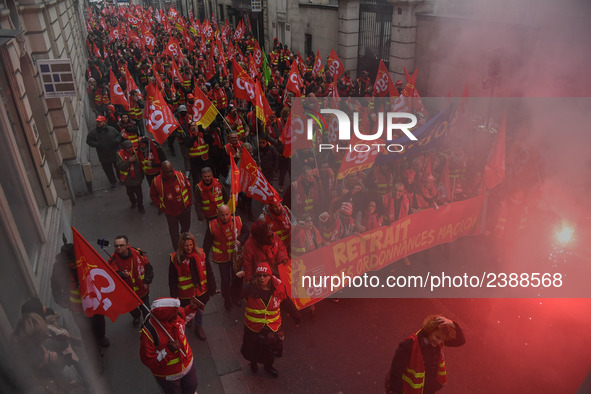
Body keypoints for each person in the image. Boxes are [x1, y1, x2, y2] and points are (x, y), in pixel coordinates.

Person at [241, 262, 301, 378]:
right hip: (253, 328)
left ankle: (268, 367)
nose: (262, 278)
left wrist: (296, 316)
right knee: (253, 349)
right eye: (259, 275)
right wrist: (237, 280)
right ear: (256, 277)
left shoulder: (278, 289)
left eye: (265, 275)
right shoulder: (249, 288)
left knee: (270, 351)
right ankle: (254, 364)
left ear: (270, 276)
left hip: (272, 327)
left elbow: (286, 303)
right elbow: (235, 293)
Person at [386, 315, 465, 394]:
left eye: (442, 339)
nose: (439, 342)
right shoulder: (408, 345)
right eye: (437, 337)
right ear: (429, 331)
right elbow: (396, 372)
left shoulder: (438, 340)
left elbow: (460, 341)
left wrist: (452, 324)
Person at [139, 298, 200, 394]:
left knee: (192, 386)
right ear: (166, 315)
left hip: (187, 365)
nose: (179, 310)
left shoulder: (177, 315)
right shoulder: (149, 333)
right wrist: (168, 351)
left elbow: (184, 314)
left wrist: (191, 308)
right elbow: (150, 361)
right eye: (175, 310)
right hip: (169, 376)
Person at [168, 232, 215, 340]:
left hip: (201, 291)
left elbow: (208, 271)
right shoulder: (175, 259)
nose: (189, 248)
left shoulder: (201, 254)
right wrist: (174, 296)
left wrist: (212, 286)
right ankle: (189, 320)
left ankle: (198, 327)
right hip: (185, 294)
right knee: (188, 311)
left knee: (200, 310)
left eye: (191, 245)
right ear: (181, 246)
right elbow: (172, 279)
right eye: (186, 246)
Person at [202, 204, 249, 311]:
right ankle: (227, 298)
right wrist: (204, 259)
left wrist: (240, 241)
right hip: (221, 257)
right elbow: (207, 243)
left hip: (235, 256)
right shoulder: (212, 226)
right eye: (222, 215)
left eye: (227, 214)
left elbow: (246, 232)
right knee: (225, 279)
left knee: (237, 277)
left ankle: (236, 296)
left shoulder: (238, 221)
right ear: (218, 215)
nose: (225, 217)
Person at [108, 235, 153, 327]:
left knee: (145, 309)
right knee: (131, 308)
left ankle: (147, 323)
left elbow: (148, 268)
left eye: (121, 245)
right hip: (127, 292)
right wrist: (122, 275)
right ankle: (136, 317)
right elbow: (113, 276)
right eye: (116, 246)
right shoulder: (113, 260)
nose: (118, 248)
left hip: (142, 289)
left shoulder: (138, 253)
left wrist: (147, 281)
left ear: (128, 245)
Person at [150, 161, 193, 249]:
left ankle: (185, 243)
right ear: (162, 171)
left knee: (185, 229)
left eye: (171, 171)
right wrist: (161, 207)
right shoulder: (156, 181)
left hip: (184, 209)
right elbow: (153, 195)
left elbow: (189, 188)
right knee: (174, 233)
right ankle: (178, 251)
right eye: (167, 172)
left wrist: (189, 203)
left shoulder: (180, 175)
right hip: (170, 213)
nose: (170, 173)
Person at [86, 115, 123, 190]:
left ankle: (121, 179)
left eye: (100, 122)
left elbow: (119, 136)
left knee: (118, 167)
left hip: (114, 153)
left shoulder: (111, 129)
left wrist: (116, 141)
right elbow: (89, 141)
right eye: (97, 121)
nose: (98, 123)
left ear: (104, 122)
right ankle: (113, 183)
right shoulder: (93, 133)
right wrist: (97, 144)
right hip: (103, 156)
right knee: (108, 170)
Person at [116, 140, 146, 213]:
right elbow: (121, 167)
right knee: (130, 193)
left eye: (131, 147)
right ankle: (133, 202)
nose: (130, 149)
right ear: (124, 148)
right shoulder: (120, 155)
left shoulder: (136, 153)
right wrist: (129, 161)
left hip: (137, 178)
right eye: (128, 148)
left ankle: (140, 206)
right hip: (128, 179)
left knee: (139, 194)